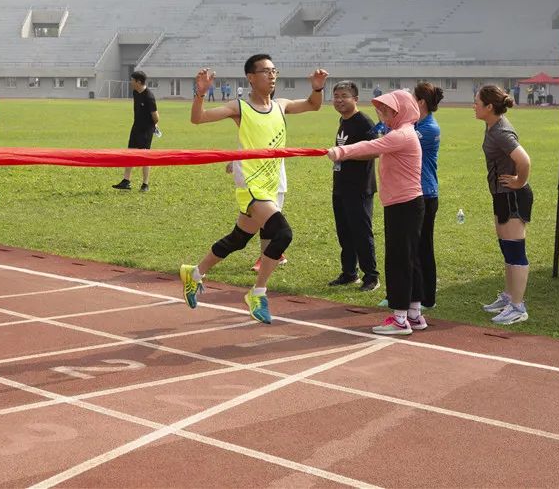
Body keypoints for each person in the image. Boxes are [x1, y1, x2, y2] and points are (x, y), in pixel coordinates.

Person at [180, 54, 328, 323]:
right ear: (251, 77)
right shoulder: (240, 107)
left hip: (271, 184)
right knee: (282, 233)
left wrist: (317, 88)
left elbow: (312, 105)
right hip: (251, 184)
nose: (272, 76)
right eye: (266, 71)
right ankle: (258, 293)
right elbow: (198, 118)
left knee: (238, 239)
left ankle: (195, 273)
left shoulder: (281, 105)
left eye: (274, 71)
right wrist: (200, 93)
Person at [328, 90, 424, 335]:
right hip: (405, 204)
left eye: (388, 111)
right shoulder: (402, 132)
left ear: (402, 111)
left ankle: (400, 319)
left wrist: (340, 151)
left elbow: (371, 146)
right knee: (409, 259)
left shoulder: (401, 135)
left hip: (403, 205)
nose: (382, 115)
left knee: (399, 260)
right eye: (381, 110)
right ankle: (414, 314)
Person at [476, 85, 532, 325]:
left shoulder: (500, 131)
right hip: (501, 195)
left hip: (512, 196)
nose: (474, 106)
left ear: (489, 107)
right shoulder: (492, 126)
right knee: (506, 248)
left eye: (477, 102)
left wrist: (519, 182)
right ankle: (509, 297)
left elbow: (524, 160)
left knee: (515, 250)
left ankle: (518, 307)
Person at [327, 81, 379, 291]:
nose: (339, 100)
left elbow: (375, 150)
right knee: (345, 232)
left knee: (361, 232)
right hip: (341, 185)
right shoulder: (343, 120)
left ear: (355, 99)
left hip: (359, 188)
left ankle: (371, 277)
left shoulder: (364, 122)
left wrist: (346, 154)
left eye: (344, 96)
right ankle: (349, 273)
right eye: (336, 96)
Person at [414, 82, 444, 309]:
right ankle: (413, 294)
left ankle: (428, 298)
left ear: (421, 102)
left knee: (424, 246)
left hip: (426, 193)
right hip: (415, 192)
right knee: (412, 247)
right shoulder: (417, 124)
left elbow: (395, 139)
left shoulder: (428, 128)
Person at [112, 71, 160, 192]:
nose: (130, 82)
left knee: (145, 155)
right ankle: (126, 181)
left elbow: (156, 117)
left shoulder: (149, 96)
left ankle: (145, 184)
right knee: (130, 152)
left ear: (138, 82)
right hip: (136, 127)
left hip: (146, 129)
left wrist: (154, 126)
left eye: (132, 80)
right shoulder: (135, 92)